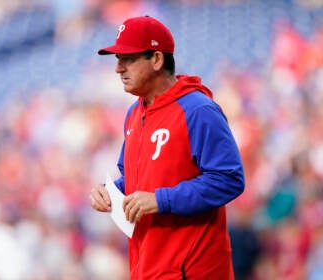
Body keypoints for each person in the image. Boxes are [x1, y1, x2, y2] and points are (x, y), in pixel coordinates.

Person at [89, 15, 245, 279]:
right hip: (148, 265)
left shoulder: (198, 110)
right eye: (118, 59)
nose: (118, 68)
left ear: (157, 60)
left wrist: (162, 200)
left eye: (128, 58)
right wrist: (110, 192)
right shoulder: (134, 113)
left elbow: (229, 179)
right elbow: (134, 179)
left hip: (192, 269)